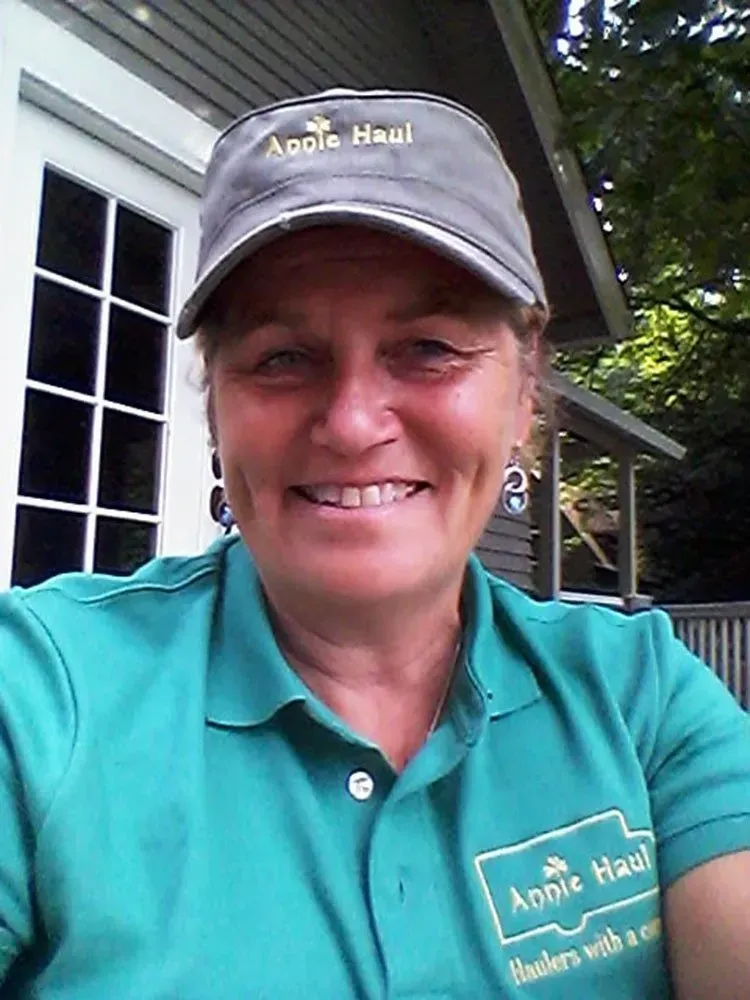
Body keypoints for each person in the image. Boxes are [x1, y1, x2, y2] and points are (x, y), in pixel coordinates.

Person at [0, 88, 748, 1000]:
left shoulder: (643, 701)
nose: (353, 424)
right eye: (282, 356)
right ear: (217, 409)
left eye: (429, 348)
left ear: (523, 398)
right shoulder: (39, 695)